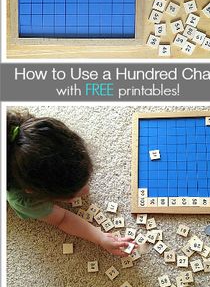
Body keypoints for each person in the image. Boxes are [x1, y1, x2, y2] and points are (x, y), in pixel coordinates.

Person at [7, 109, 134, 256]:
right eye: (72, 194)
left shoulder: (37, 134)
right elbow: (62, 219)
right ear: (33, 191)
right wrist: (100, 237)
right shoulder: (24, 200)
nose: (86, 191)